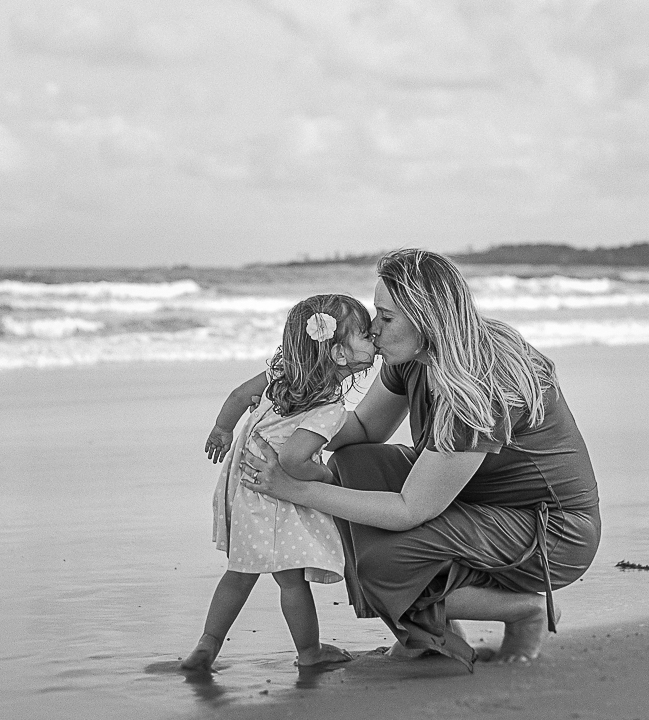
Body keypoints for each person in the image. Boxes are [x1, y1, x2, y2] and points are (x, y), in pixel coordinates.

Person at [240, 250, 600, 670]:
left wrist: (298, 489)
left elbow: (410, 510)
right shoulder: (414, 357)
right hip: (477, 506)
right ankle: (435, 636)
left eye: (386, 318)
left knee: (382, 564)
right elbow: (363, 431)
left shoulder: (479, 382)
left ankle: (524, 610)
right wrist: (288, 418)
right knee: (353, 462)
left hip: (551, 534)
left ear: (428, 319)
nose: (373, 331)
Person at [181, 294, 378, 671]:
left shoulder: (281, 372)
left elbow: (240, 395)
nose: (374, 340)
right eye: (366, 335)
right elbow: (292, 460)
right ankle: (309, 653)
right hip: (276, 498)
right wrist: (327, 476)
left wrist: (222, 429)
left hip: (245, 485)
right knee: (291, 582)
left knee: (239, 573)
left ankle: (206, 645)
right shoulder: (329, 409)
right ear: (339, 355)